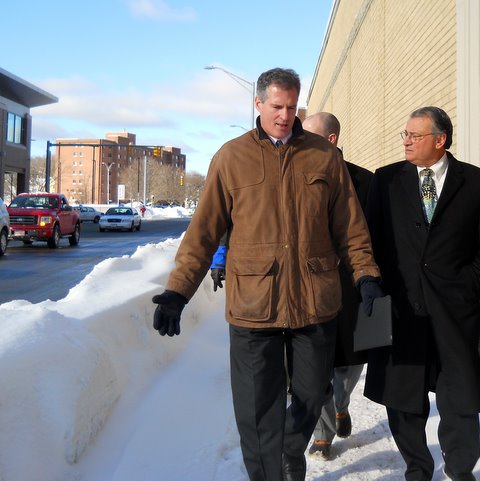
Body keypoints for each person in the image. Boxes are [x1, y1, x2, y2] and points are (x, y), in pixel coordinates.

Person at [151, 67, 383, 481]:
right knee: (257, 409)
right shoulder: (231, 157)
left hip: (314, 301)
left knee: (312, 394)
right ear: (258, 104)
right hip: (254, 306)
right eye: (277, 106)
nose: (284, 116)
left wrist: (366, 275)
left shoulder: (324, 156)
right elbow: (203, 232)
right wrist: (177, 292)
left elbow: (351, 227)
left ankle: (289, 450)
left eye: (292, 107)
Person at [363, 106, 480, 481]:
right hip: (401, 307)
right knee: (402, 395)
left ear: (440, 140)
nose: (406, 141)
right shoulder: (386, 180)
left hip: (454, 308)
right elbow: (369, 240)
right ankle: (417, 468)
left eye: (415, 135)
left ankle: (461, 469)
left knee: (459, 395)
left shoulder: (476, 183)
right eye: (405, 134)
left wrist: (472, 281)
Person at [301, 112, 372, 460]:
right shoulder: (297, 178)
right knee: (316, 364)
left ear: (330, 140)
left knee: (350, 361)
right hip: (310, 287)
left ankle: (341, 405)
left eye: (308, 135)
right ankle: (323, 431)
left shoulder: (366, 182)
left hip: (351, 286)